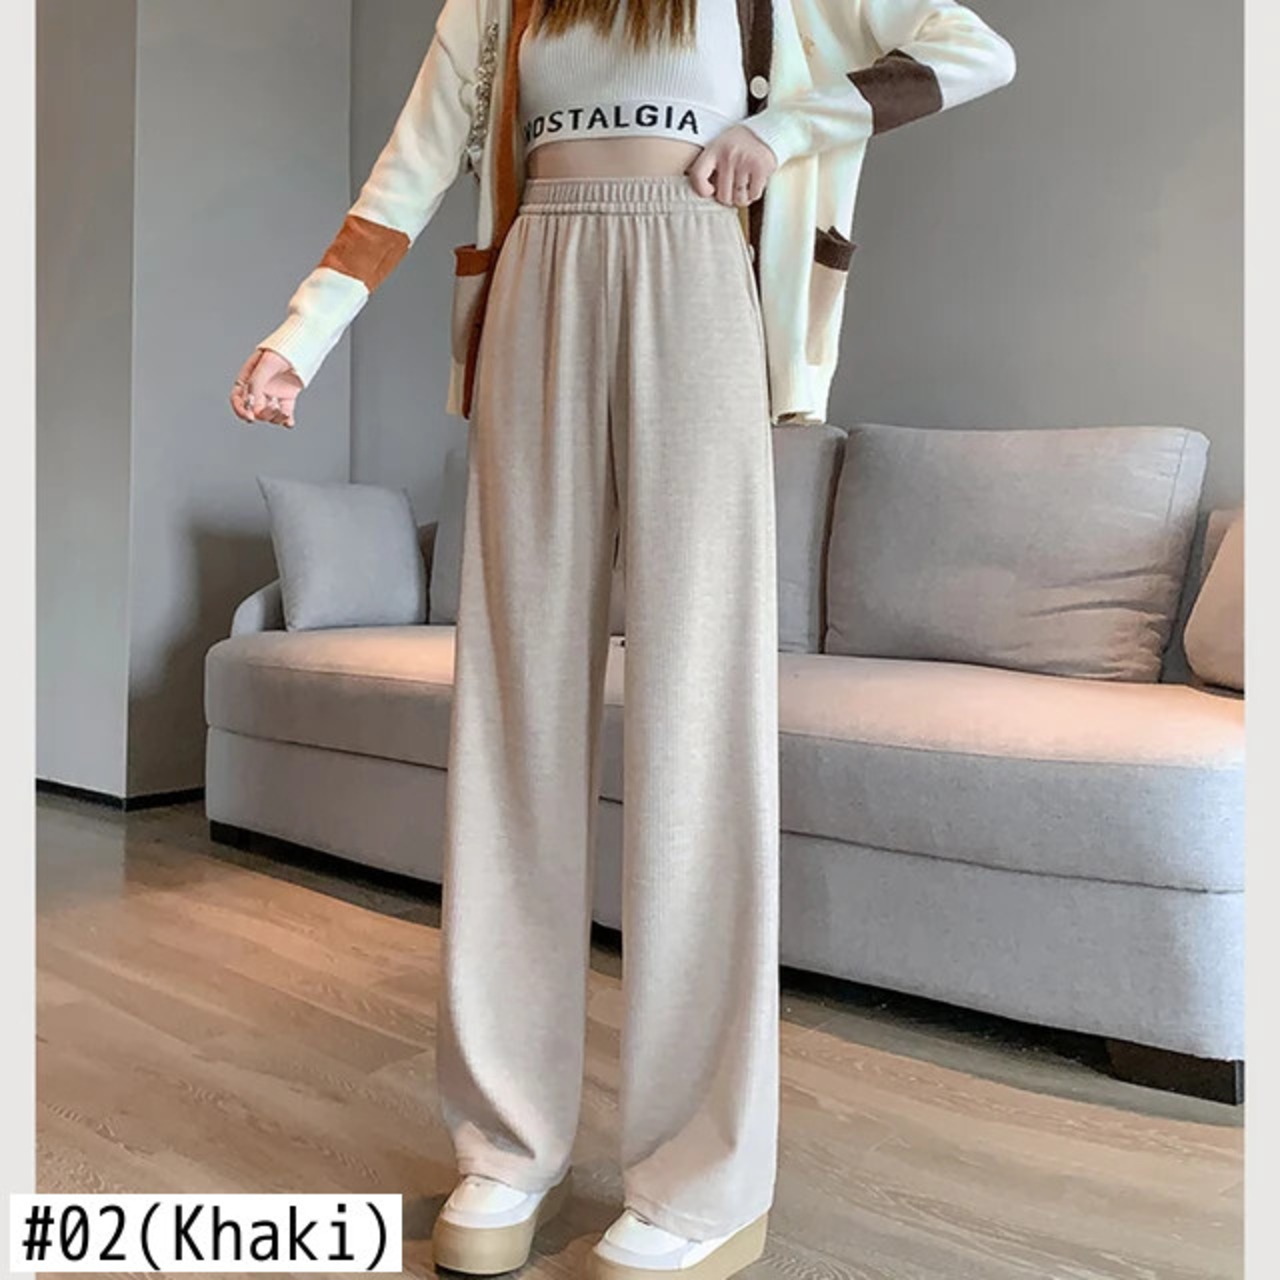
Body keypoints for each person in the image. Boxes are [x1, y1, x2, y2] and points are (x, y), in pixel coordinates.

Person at [229, 1, 1015, 1276]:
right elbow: (415, 159)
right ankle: (505, 1141)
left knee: (695, 721)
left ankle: (703, 1177)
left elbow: (973, 47)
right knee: (511, 717)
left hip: (698, 273)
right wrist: (302, 332)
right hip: (537, 280)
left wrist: (779, 129)